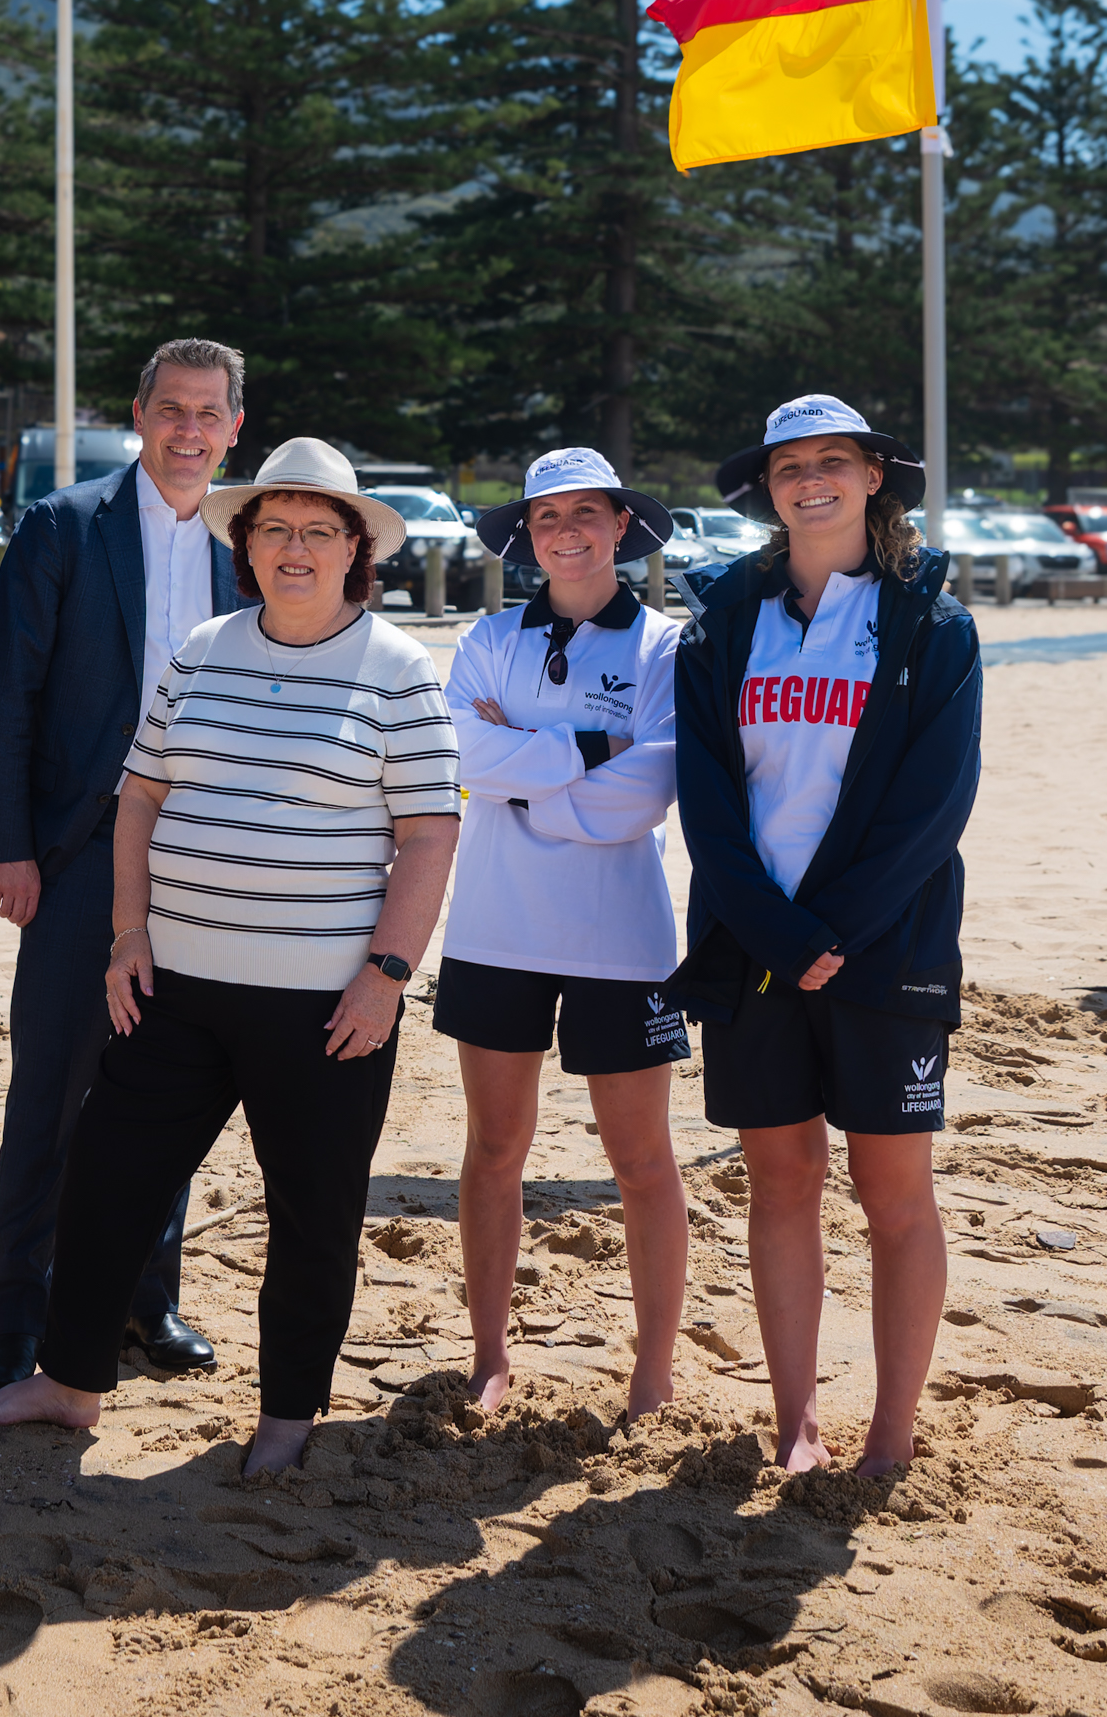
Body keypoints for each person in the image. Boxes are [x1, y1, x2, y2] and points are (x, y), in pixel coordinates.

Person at [0, 436, 460, 1478]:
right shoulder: (202, 648)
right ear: (247, 543)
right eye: (274, 526)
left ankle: (287, 1417)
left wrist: (387, 975)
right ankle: (70, 1381)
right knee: (106, 1180)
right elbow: (140, 796)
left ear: (356, 549)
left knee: (313, 1213)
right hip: (175, 987)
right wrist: (128, 934)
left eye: (318, 529)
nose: (294, 546)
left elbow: (428, 835)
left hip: (325, 1005)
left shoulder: (399, 669)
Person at [670, 394, 981, 1478]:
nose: (812, 479)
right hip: (754, 948)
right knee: (783, 1179)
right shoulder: (721, 622)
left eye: (833, 459)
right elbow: (706, 799)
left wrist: (831, 931)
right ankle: (795, 1417)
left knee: (895, 1194)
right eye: (789, 464)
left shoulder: (932, 624)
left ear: (873, 475)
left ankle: (892, 1428)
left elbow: (936, 803)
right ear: (766, 487)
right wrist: (776, 931)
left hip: (885, 948)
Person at [0, 338, 247, 1390]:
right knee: (50, 1089)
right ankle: (18, 1314)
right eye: (171, 408)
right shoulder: (64, 524)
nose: (188, 429)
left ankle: (144, 1300)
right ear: (139, 414)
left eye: (208, 412)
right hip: (78, 852)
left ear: (234, 429)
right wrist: (9, 844)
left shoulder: (249, 542)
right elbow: (6, 694)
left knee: (165, 1087)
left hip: (201, 858)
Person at [443, 445, 692, 1418]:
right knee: (494, 1146)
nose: (567, 531)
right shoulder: (488, 637)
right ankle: (489, 1354)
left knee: (642, 1160)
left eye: (587, 512)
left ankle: (653, 1372)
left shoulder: (666, 647)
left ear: (622, 524)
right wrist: (590, 750)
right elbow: (458, 752)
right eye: (547, 516)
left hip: (620, 937)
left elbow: (649, 790)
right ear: (526, 535)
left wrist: (521, 777)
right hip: (494, 927)